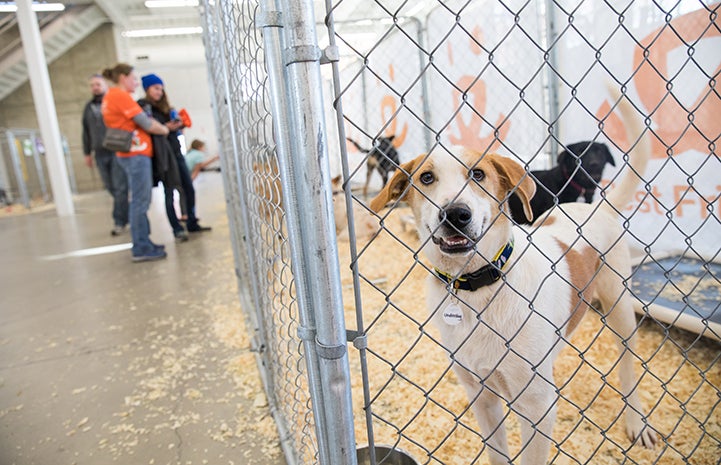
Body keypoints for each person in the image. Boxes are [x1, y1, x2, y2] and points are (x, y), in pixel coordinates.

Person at [101, 63, 170, 262]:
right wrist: (164, 129)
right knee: (140, 202)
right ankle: (141, 247)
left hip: (129, 154)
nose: (136, 82)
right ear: (123, 77)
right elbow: (146, 123)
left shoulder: (111, 97)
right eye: (133, 78)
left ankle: (144, 242)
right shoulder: (119, 96)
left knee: (140, 201)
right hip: (135, 153)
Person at [138, 73, 211, 238]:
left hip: (177, 152)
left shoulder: (167, 109)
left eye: (161, 89)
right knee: (169, 192)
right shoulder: (143, 107)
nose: (159, 92)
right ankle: (176, 228)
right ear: (147, 89)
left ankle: (192, 222)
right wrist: (166, 128)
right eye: (156, 88)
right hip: (162, 156)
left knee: (188, 188)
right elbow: (148, 128)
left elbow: (173, 129)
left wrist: (178, 126)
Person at [82, 74, 129, 236]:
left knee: (120, 187)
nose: (95, 87)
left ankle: (119, 221)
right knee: (110, 187)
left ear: (104, 85)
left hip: (116, 149)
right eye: (92, 85)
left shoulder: (111, 102)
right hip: (99, 152)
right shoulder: (88, 107)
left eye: (98, 84)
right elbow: (86, 131)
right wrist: (87, 152)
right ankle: (126, 212)